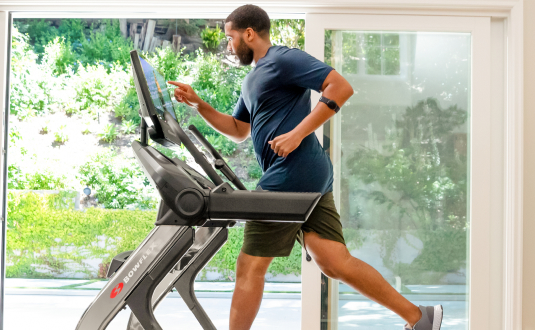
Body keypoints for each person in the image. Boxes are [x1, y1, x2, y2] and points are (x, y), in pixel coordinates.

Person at [168, 4, 444, 330]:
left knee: (249, 266)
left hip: (292, 170)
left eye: (231, 38)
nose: (229, 45)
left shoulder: (284, 59)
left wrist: (298, 134)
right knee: (333, 262)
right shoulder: (254, 78)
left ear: (249, 33)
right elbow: (238, 129)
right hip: (307, 172)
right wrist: (199, 104)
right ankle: (419, 317)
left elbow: (340, 87)